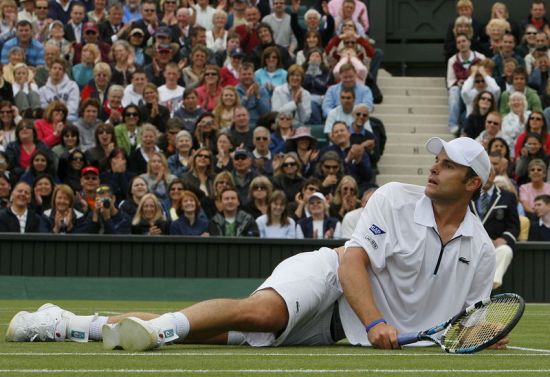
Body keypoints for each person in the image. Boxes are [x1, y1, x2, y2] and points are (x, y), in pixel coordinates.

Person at [7, 138, 509, 353]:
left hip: (334, 332)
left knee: (215, 333)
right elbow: (354, 261)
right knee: (260, 314)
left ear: (472, 184)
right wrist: (378, 322)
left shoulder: (482, 251)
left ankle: (65, 323)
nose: (433, 167)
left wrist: (487, 335)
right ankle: (155, 335)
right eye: (435, 159)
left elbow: (476, 322)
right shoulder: (396, 199)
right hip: (331, 280)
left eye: (446, 165)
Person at [471, 167, 519, 289]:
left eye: (489, 174)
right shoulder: (467, 194)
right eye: (483, 174)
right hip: (471, 244)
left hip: (495, 245)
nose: (486, 178)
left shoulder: (508, 196)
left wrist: (503, 239)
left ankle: (488, 285)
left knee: (506, 250)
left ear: (494, 175)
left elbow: (514, 226)